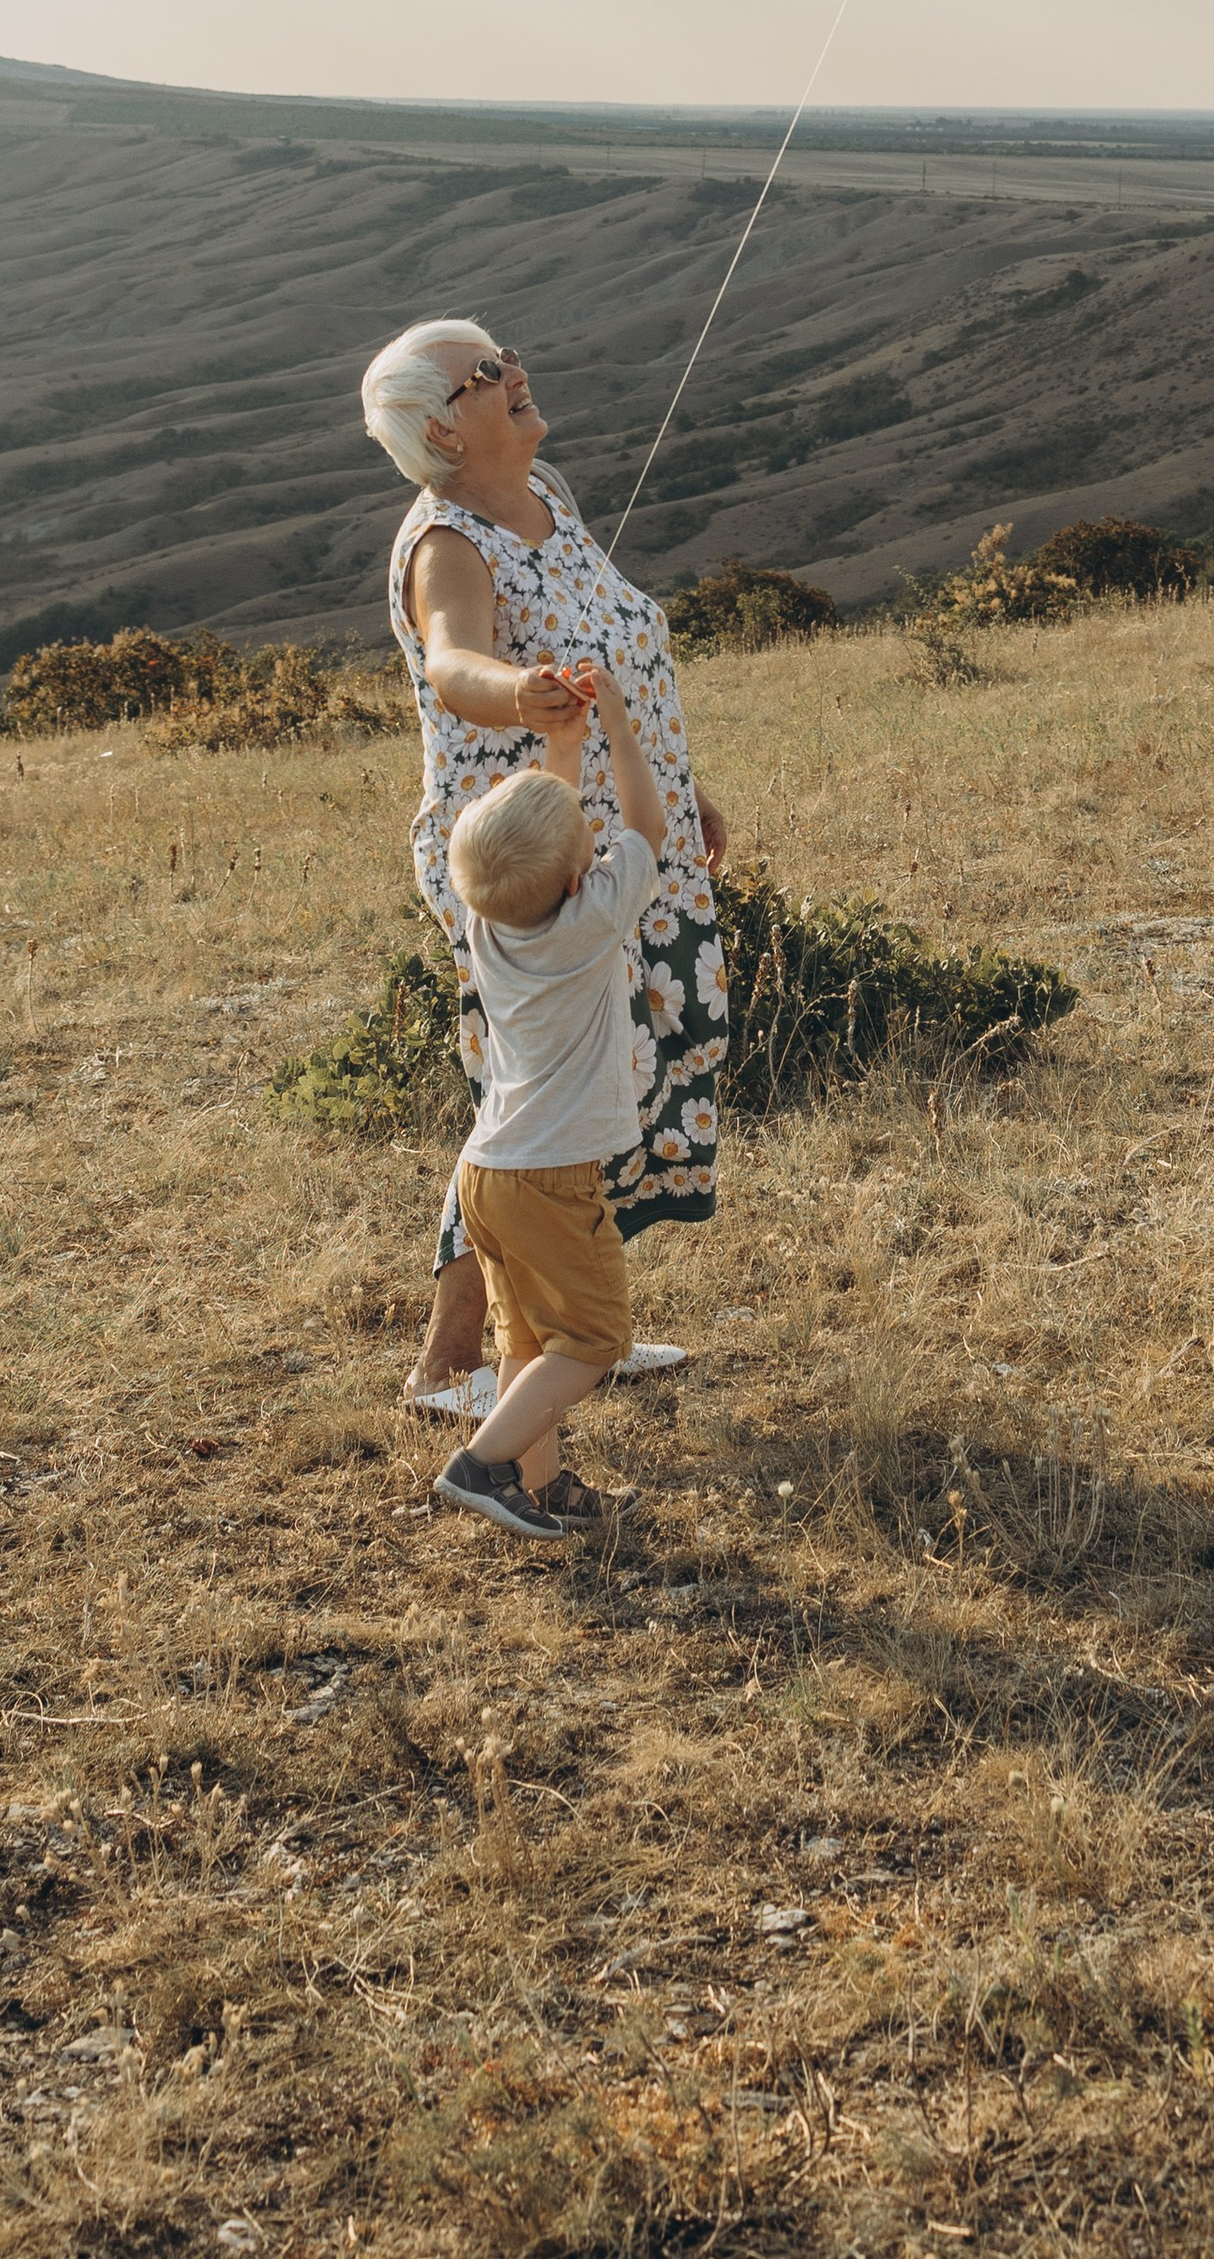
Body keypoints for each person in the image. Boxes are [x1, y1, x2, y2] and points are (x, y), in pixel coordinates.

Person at [358, 316, 730, 1412]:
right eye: (488, 372)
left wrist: (677, 778)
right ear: (440, 427)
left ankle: (565, 1329)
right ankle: (451, 1359)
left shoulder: (548, 497)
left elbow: (617, 644)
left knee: (621, 1069)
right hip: (531, 856)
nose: (517, 373)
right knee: (536, 1098)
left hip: (619, 832)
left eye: (507, 354)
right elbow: (453, 659)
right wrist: (516, 691)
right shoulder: (448, 541)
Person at [431, 665, 664, 1536]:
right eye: (587, 851)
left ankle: (544, 1482)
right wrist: (622, 734)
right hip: (552, 1178)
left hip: (486, 1174)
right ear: (579, 882)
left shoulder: (487, 922)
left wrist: (562, 748)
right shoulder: (595, 918)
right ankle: (482, 1464)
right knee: (594, 1338)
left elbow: (558, 837)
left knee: (526, 1340)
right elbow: (647, 825)